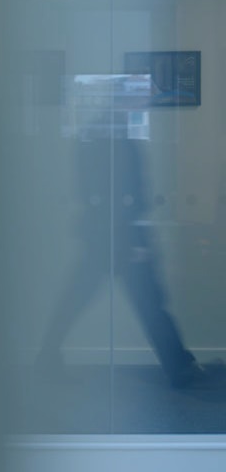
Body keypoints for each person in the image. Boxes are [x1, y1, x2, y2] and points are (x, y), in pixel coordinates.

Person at [37, 110, 222, 388]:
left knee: (75, 299)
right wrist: (136, 240)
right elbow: (137, 195)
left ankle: (46, 356)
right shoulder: (125, 148)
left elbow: (90, 196)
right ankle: (180, 369)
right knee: (151, 307)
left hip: (99, 237)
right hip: (125, 239)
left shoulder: (86, 149)